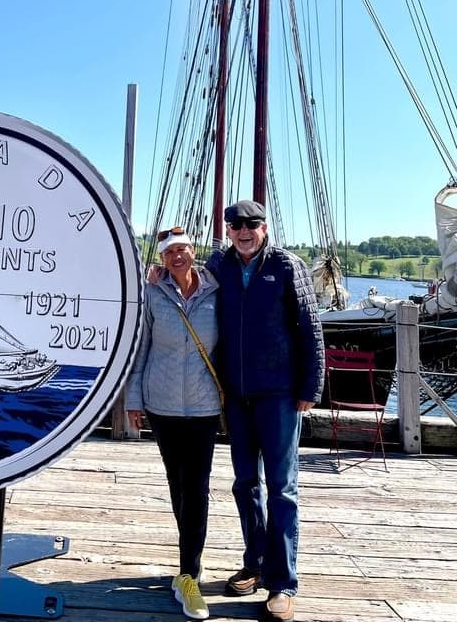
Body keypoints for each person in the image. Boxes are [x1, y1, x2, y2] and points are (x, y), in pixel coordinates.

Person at [206, 200, 324, 622]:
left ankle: (282, 583)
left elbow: (311, 328)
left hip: (278, 394)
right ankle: (255, 562)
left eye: (251, 224)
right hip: (237, 395)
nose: (243, 231)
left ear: (264, 227)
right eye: (235, 225)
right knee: (244, 483)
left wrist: (311, 385)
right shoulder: (219, 264)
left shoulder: (287, 266)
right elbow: (195, 294)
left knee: (281, 487)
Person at [126, 226, 222, 621]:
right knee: (177, 483)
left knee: (197, 487)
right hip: (162, 402)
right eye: (169, 253)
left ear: (193, 251)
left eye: (182, 250)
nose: (176, 257)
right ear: (162, 259)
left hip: (203, 405)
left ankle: (188, 572)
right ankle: (188, 560)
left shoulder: (217, 292)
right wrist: (132, 399)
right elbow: (141, 346)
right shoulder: (153, 294)